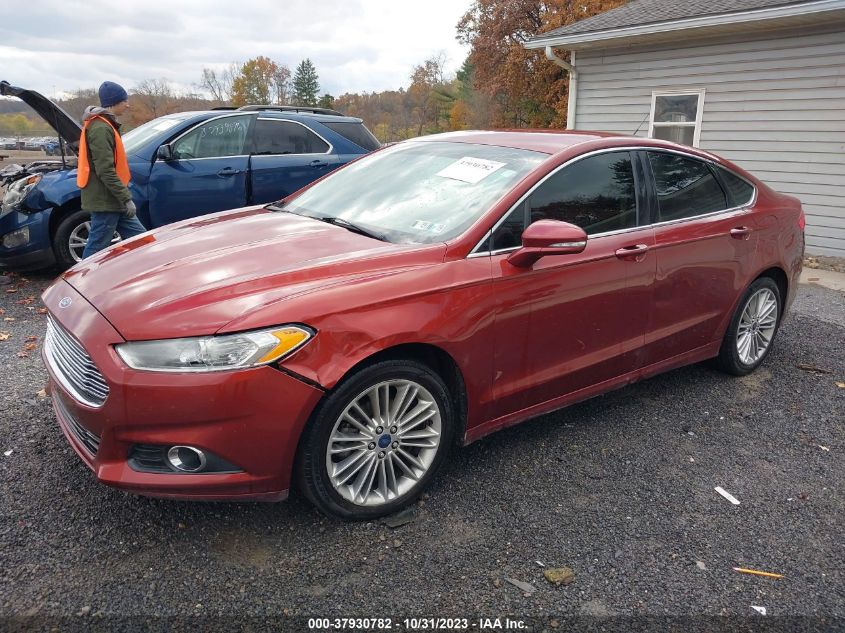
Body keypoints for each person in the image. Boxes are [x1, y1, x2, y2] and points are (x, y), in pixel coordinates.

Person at [78, 81, 147, 259]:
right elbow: (105, 170)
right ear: (115, 102)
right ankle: (82, 282)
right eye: (125, 101)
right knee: (96, 250)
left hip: (113, 199)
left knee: (142, 240)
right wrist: (126, 198)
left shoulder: (104, 124)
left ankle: (149, 275)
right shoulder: (100, 128)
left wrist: (123, 199)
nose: (128, 105)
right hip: (106, 201)